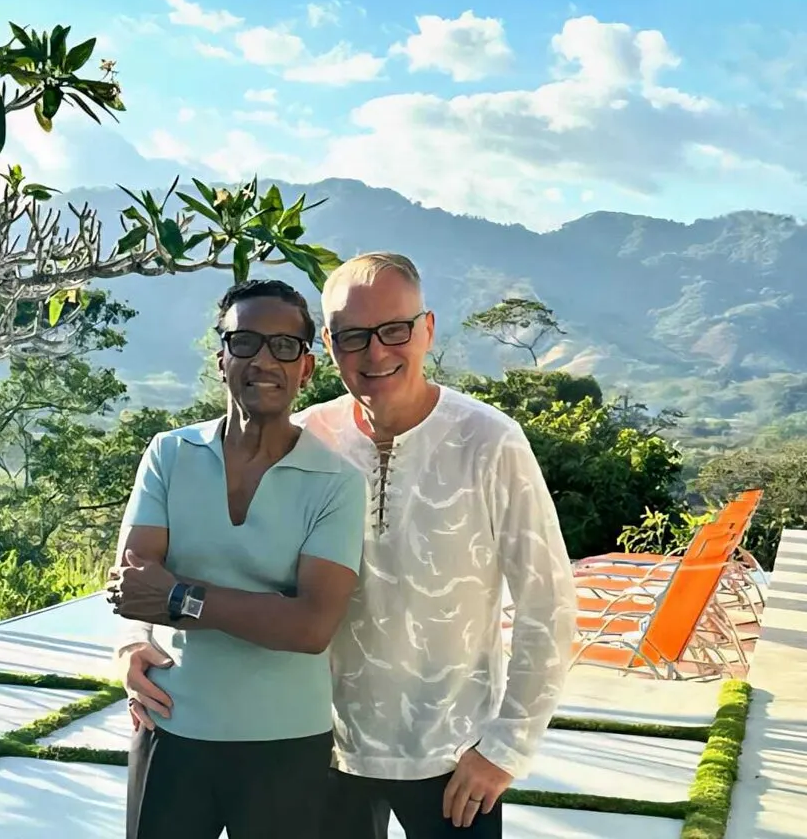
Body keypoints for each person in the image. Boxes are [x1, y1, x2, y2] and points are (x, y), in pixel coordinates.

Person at [119, 253, 579, 838]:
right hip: (319, 751)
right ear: (328, 349)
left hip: (451, 752)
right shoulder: (308, 436)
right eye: (354, 336)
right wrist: (134, 645)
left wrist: (506, 747)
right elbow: (162, 555)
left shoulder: (489, 440)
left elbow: (548, 603)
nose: (376, 352)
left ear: (427, 330)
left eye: (395, 330)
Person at [106, 278, 368, 839]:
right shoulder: (170, 454)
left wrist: (178, 596)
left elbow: (311, 627)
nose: (263, 360)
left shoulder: (338, 482)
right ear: (221, 357)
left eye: (284, 346)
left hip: (287, 743)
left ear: (306, 366)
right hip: (172, 728)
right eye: (244, 342)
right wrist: (259, 608)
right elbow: (133, 587)